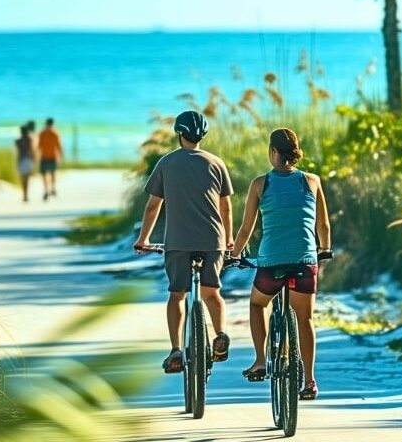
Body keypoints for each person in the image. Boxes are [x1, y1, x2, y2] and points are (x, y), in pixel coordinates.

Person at [230, 128, 332, 400]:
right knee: (305, 318)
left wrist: (235, 254)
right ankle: (309, 381)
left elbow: (245, 229)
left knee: (256, 304)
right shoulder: (311, 181)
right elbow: (322, 224)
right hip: (304, 260)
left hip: (272, 262)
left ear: (273, 152)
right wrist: (324, 250)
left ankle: (261, 360)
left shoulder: (259, 184)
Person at [134, 110, 234, 374]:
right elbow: (226, 208)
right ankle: (220, 334)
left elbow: (153, 206)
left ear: (180, 134)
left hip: (178, 242)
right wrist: (230, 239)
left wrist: (143, 238)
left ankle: (176, 349)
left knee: (177, 294)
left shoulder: (166, 164)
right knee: (212, 293)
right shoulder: (216, 163)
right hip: (213, 240)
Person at [37, 117, 63, 201]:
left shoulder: (44, 133)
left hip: (47, 156)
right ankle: (50, 189)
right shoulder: (53, 133)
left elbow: (39, 147)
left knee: (47, 174)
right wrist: (61, 155)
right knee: (51, 173)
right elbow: (58, 146)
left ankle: (49, 189)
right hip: (50, 156)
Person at [14, 125, 36, 202]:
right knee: (27, 178)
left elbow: (17, 152)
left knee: (22, 178)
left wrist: (16, 162)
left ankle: (24, 195)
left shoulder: (17, 140)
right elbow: (32, 150)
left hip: (21, 160)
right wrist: (34, 160)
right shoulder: (29, 139)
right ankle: (26, 195)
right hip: (28, 159)